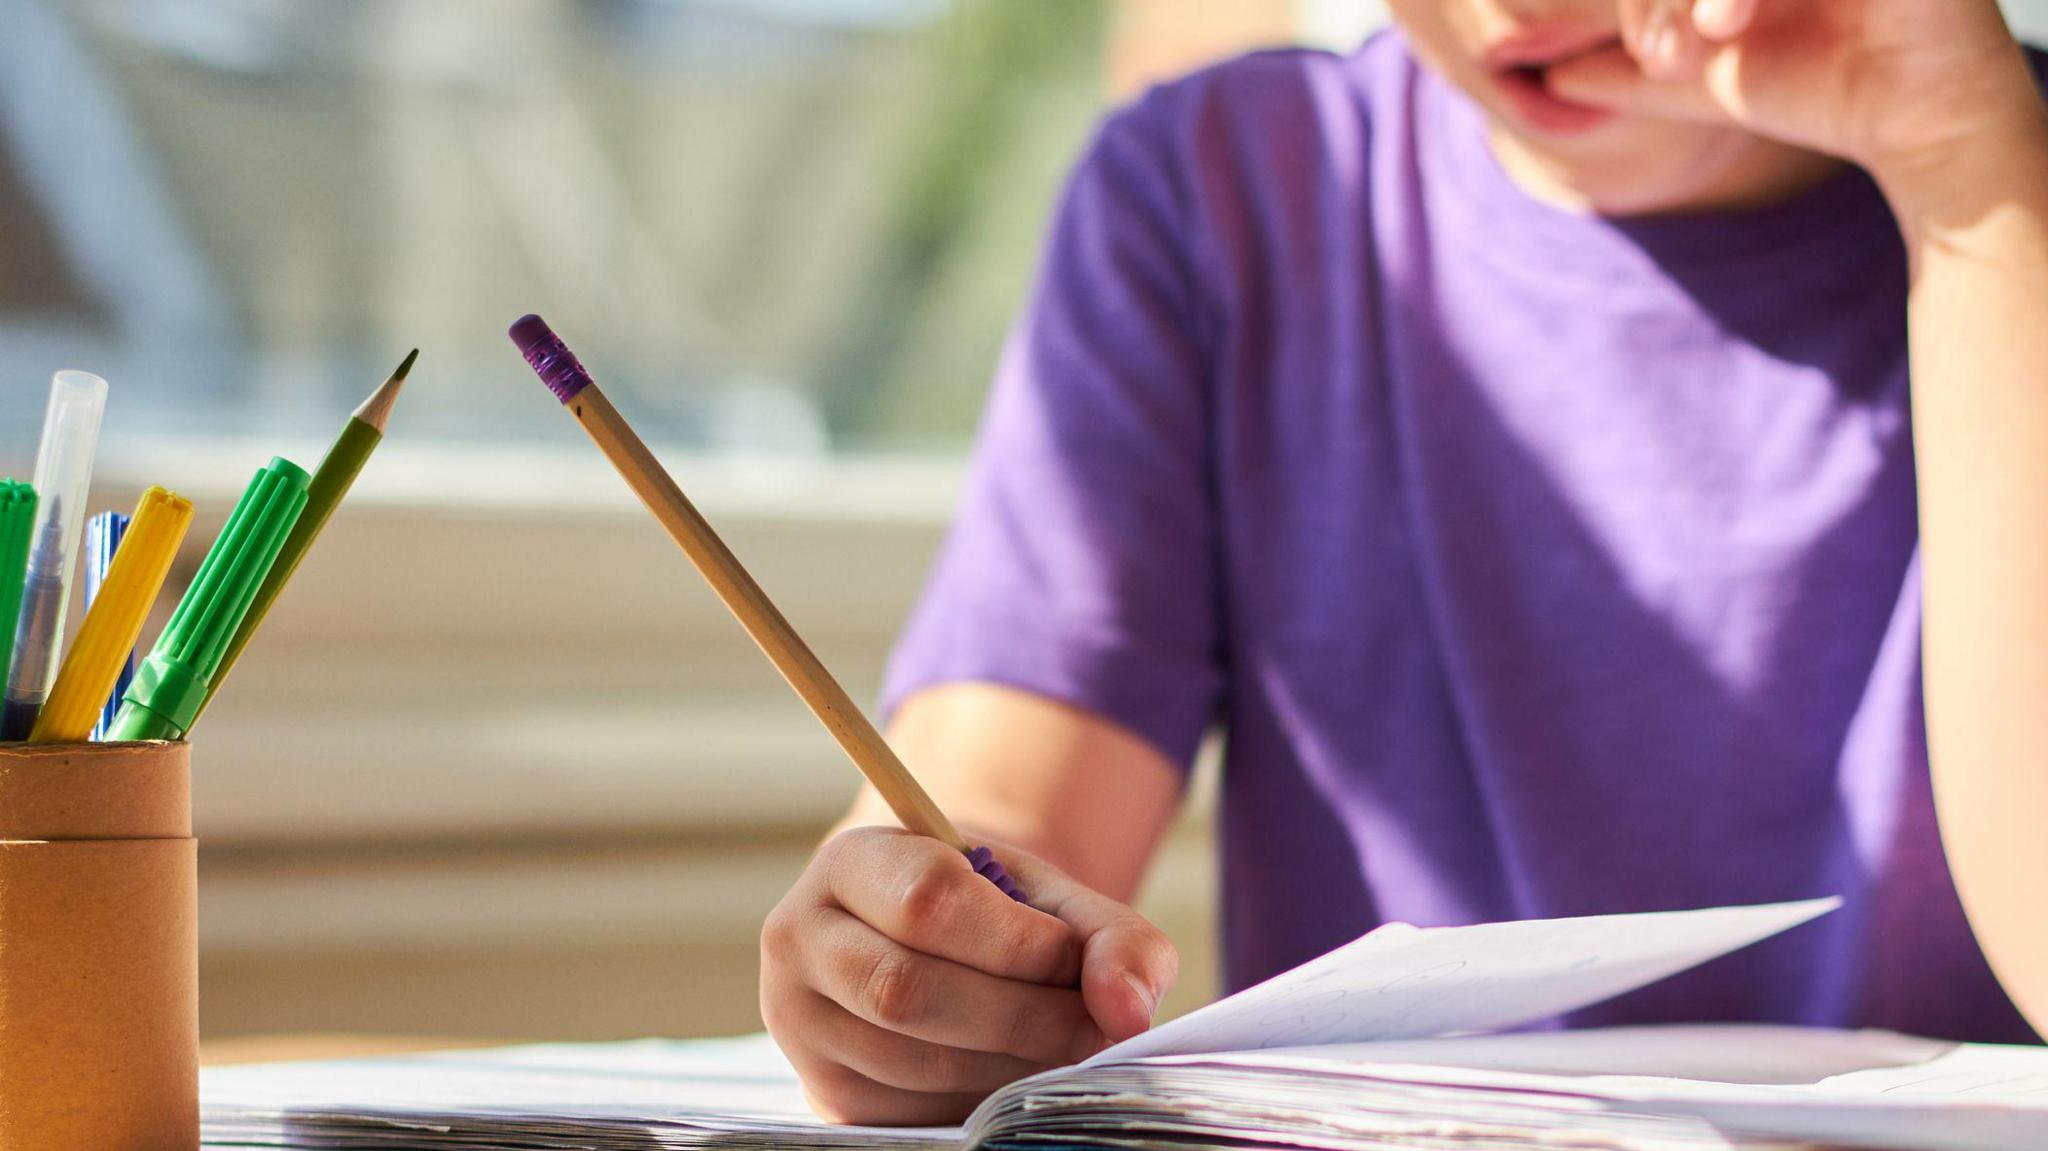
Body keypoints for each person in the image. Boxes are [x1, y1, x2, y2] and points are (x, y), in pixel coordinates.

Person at [758, 0, 2048, 1125]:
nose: (1504, 10)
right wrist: (918, 951)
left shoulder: (2010, 177)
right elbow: (1000, 815)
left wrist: (1968, 166)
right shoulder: (1223, 198)